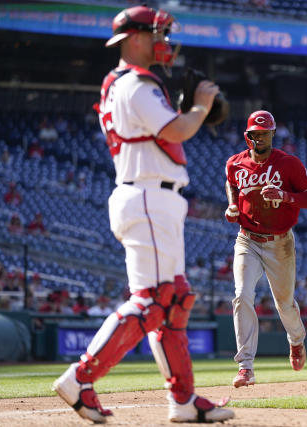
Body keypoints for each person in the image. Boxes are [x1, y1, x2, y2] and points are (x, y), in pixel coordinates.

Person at [51, 5, 234, 424]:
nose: (164, 43)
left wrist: (188, 111)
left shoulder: (127, 84)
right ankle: (81, 377)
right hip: (148, 197)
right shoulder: (135, 83)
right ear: (135, 38)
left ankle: (184, 400)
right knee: (154, 300)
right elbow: (175, 130)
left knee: (174, 300)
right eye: (157, 34)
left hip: (154, 197)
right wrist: (201, 106)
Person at [224, 109, 307, 388]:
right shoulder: (235, 163)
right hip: (247, 239)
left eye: (265, 133)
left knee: (285, 305)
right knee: (241, 295)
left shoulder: (289, 164)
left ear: (273, 134)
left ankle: (296, 340)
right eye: (256, 133)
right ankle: (245, 367)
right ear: (248, 135)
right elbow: (232, 184)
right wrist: (231, 205)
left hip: (280, 242)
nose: (260, 137)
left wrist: (286, 196)